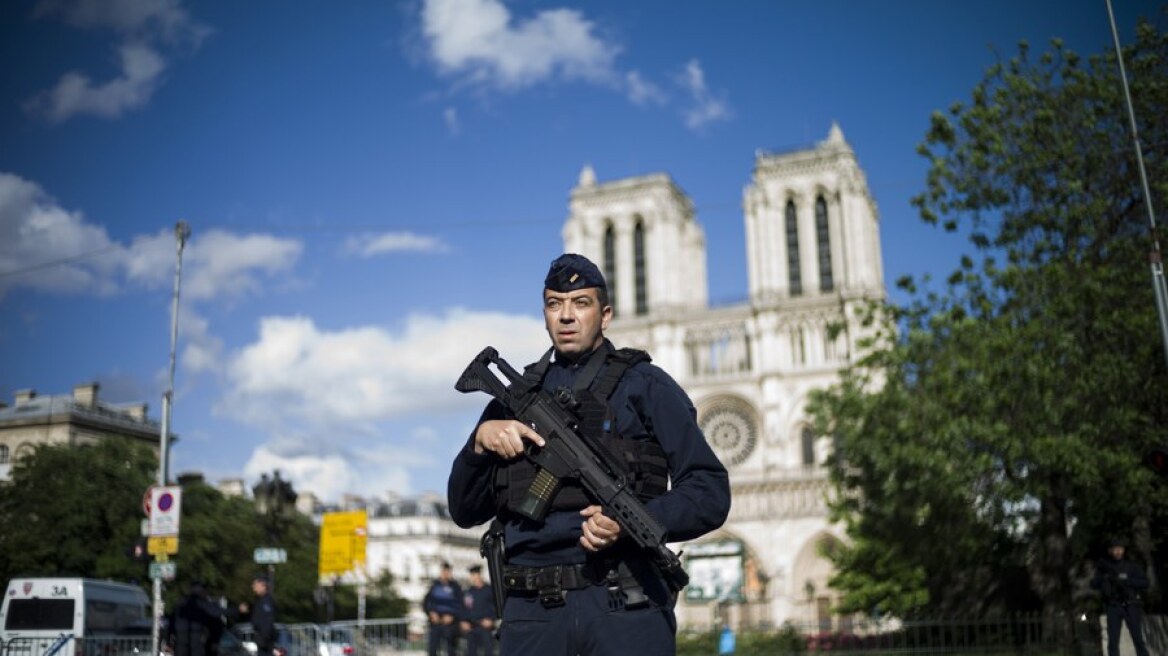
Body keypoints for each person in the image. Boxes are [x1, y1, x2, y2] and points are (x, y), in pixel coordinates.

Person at [447, 253, 731, 655]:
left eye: (581, 303)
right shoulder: (515, 399)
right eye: (554, 304)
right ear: (544, 314)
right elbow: (463, 510)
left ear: (606, 314)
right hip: (532, 614)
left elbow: (709, 491)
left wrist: (632, 521)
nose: (566, 316)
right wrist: (479, 443)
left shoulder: (645, 385)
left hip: (625, 604)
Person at [1091, 537, 1150, 656]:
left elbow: (1145, 583)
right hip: (1113, 606)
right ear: (1111, 551)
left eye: (1120, 549)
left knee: (1138, 639)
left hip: (1131, 605)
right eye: (1115, 549)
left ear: (1124, 550)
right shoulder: (1105, 567)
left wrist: (1127, 581)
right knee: (1113, 642)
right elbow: (1094, 584)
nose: (1118, 552)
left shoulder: (1131, 566)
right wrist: (1105, 579)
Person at [422, 562, 463, 656]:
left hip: (450, 624)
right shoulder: (434, 586)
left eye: (447, 571)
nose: (445, 573)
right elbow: (426, 603)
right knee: (432, 649)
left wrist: (452, 616)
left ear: (450, 573)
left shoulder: (456, 587)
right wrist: (431, 614)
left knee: (451, 650)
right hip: (436, 623)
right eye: (443, 571)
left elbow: (460, 605)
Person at [171, 582, 221, 656]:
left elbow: (172, 621)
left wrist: (170, 637)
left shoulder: (181, 603)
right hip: (197, 636)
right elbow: (215, 619)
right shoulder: (202, 603)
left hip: (181, 637)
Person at [460, 565, 497, 656]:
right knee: (470, 652)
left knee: (488, 652)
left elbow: (497, 607)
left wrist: (491, 619)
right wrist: (463, 621)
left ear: (480, 575)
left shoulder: (490, 590)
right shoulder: (468, 591)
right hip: (471, 628)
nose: (473, 577)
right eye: (471, 575)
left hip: (486, 628)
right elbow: (463, 608)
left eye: (474, 574)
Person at [249, 575, 278, 656]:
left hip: (265, 640)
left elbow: (268, 620)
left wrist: (264, 638)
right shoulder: (259, 600)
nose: (253, 587)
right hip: (261, 638)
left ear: (263, 585)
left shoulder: (266, 601)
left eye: (255, 585)